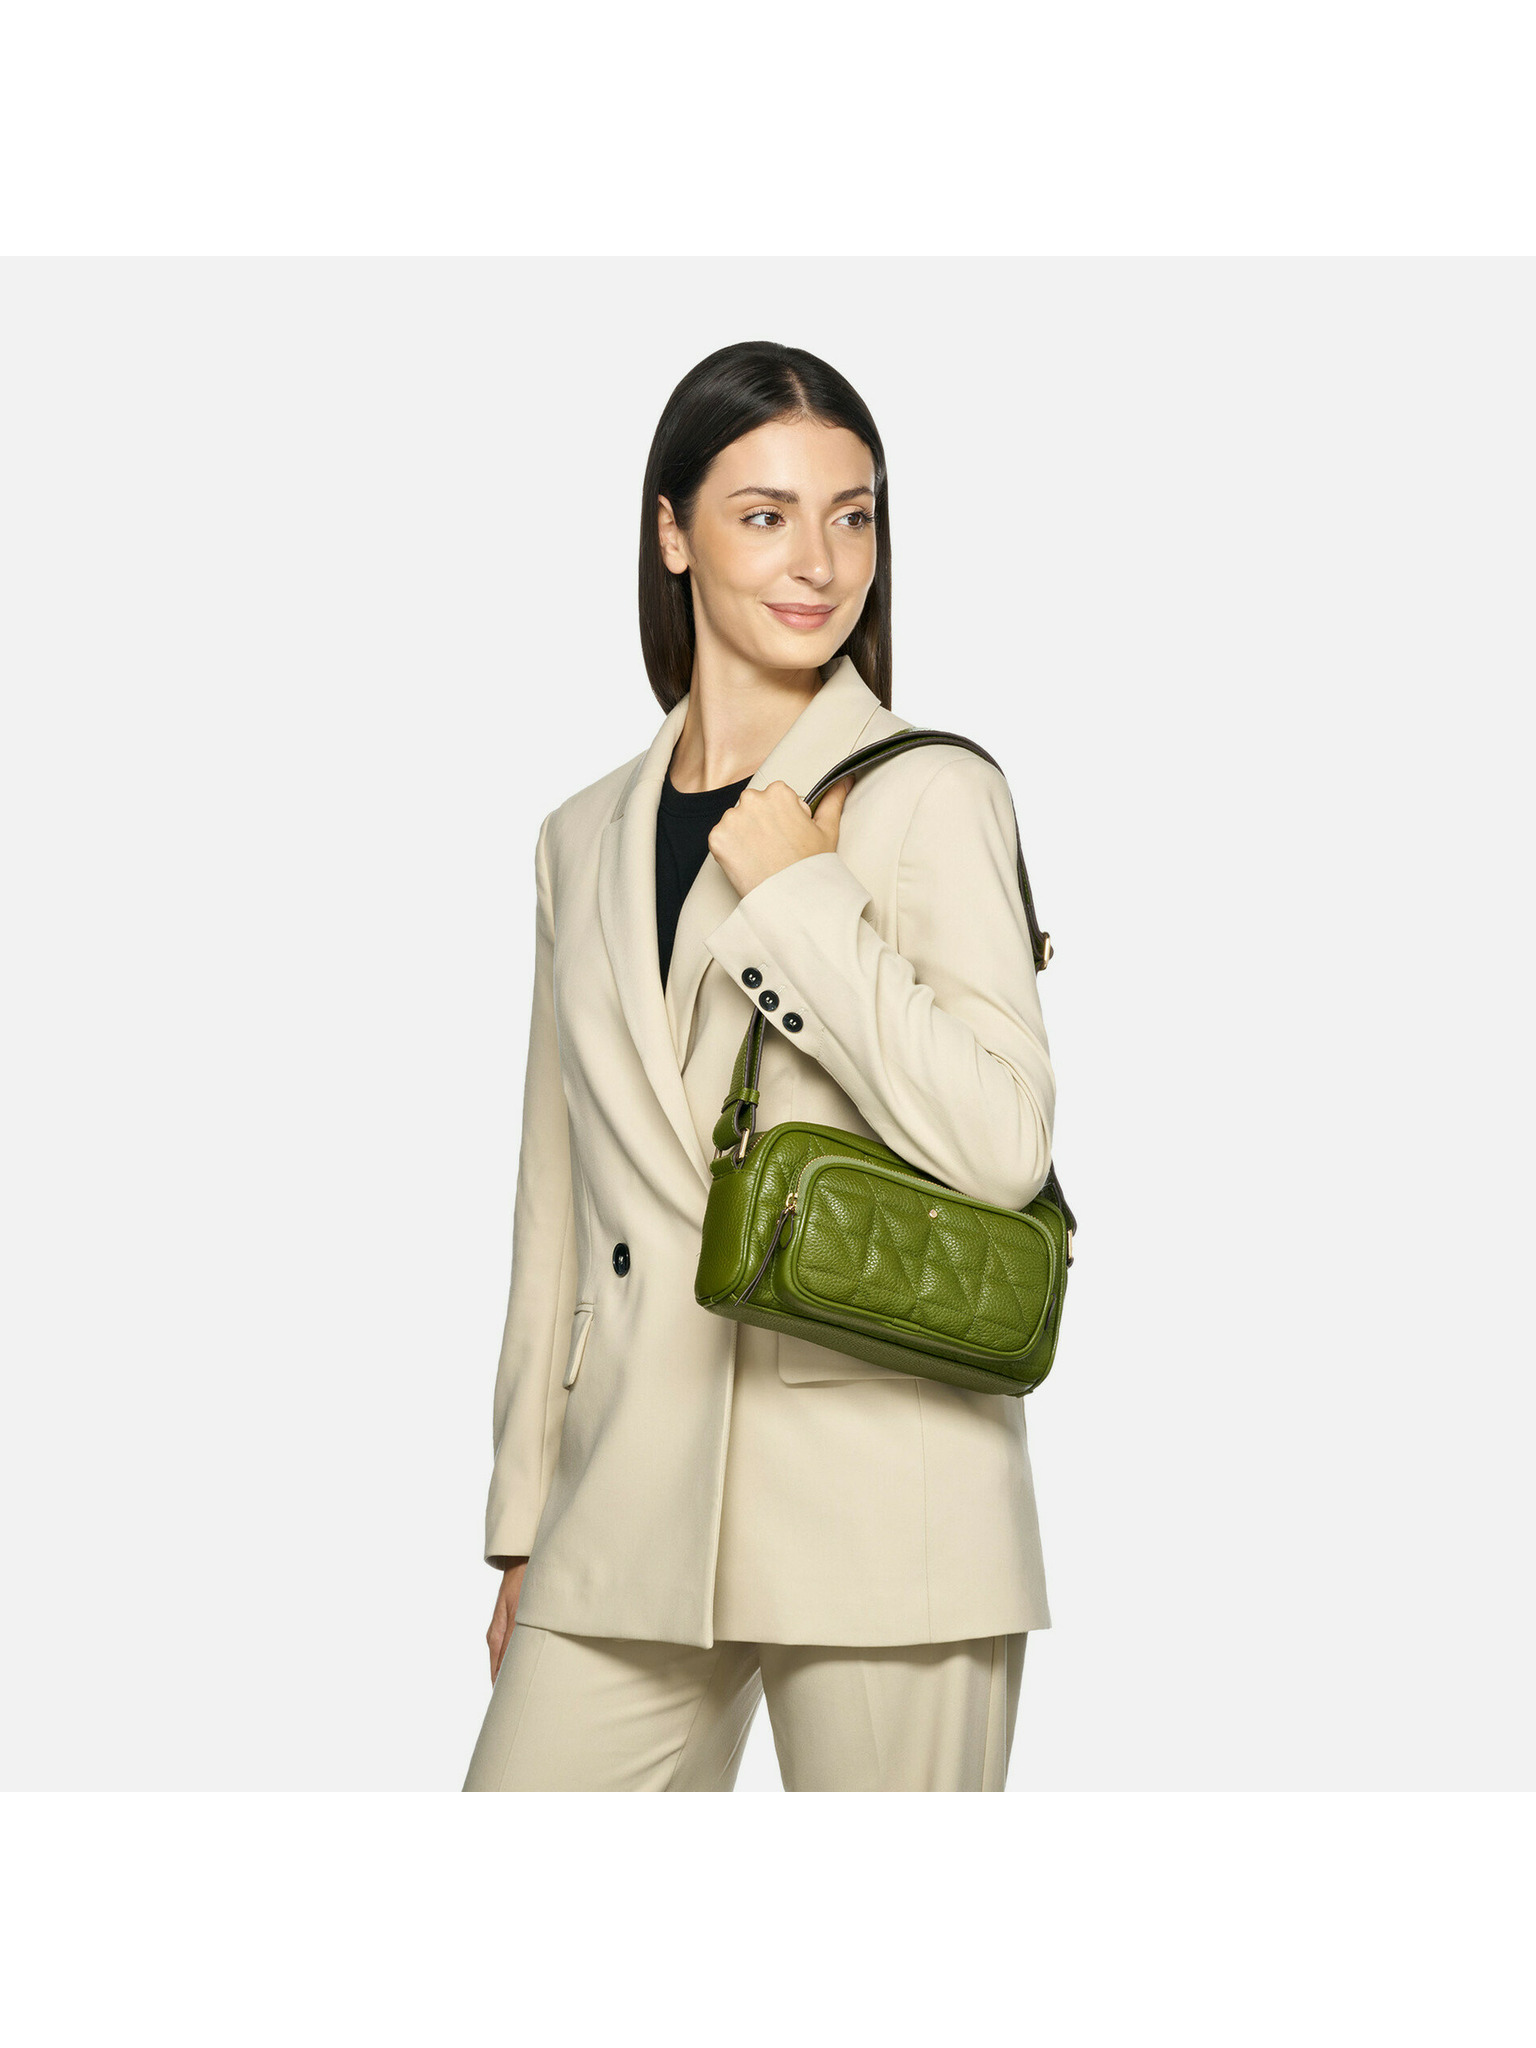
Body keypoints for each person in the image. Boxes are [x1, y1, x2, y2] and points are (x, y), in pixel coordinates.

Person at [463, 341, 1058, 1792]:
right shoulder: (580, 837)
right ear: (672, 532)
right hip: (627, 1502)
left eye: (853, 515)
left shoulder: (932, 791)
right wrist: (527, 1522)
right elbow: (558, 1201)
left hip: (888, 1495)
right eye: (766, 514)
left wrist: (801, 901)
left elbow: (1003, 1142)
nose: (820, 561)